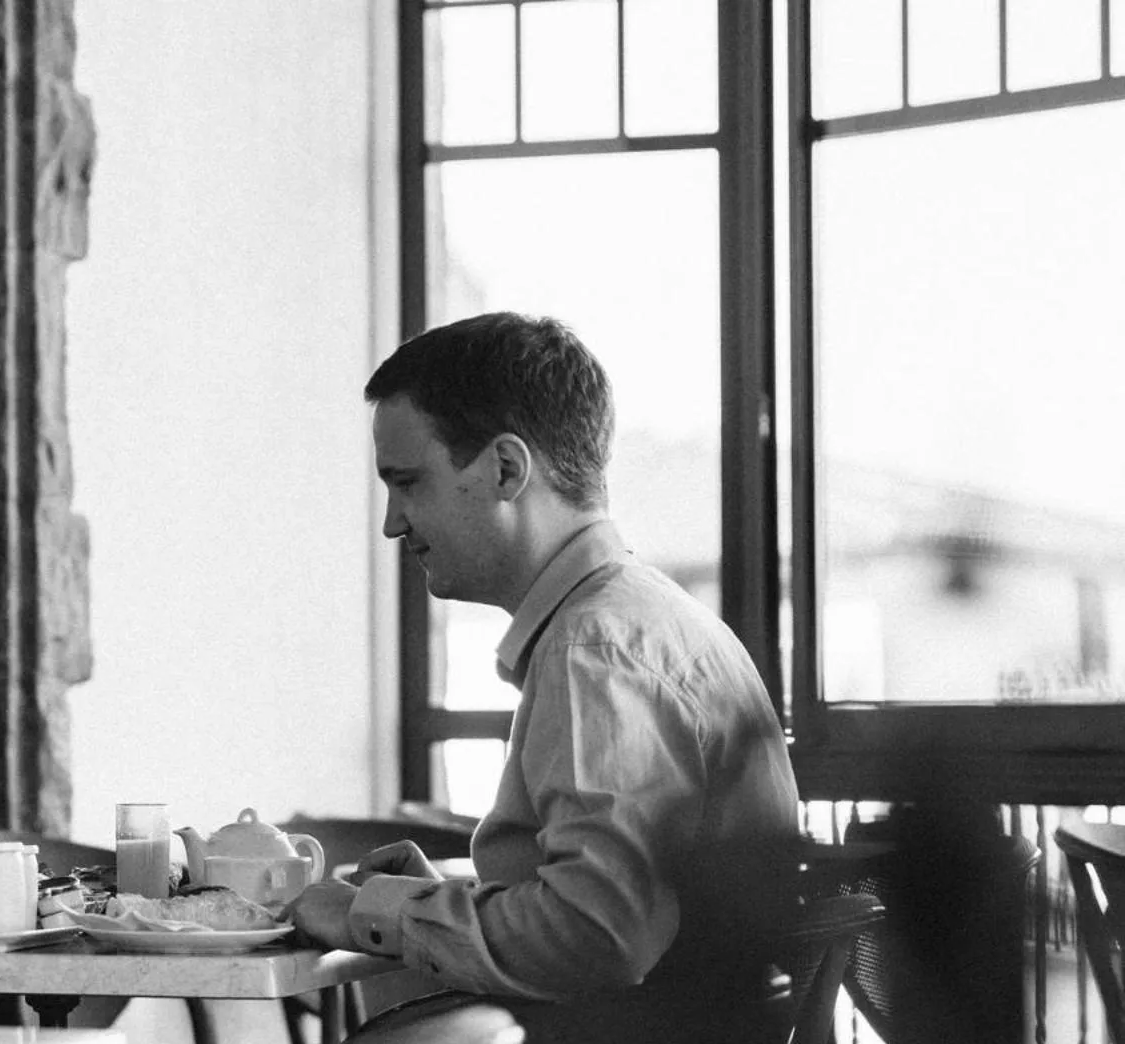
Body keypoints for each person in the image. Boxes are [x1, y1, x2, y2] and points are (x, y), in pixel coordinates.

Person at [289, 312, 801, 1002]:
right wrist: (437, 900)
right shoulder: (639, 619)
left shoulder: (595, 649)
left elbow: (595, 935)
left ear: (505, 468)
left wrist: (367, 911)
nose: (392, 522)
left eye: (408, 482)